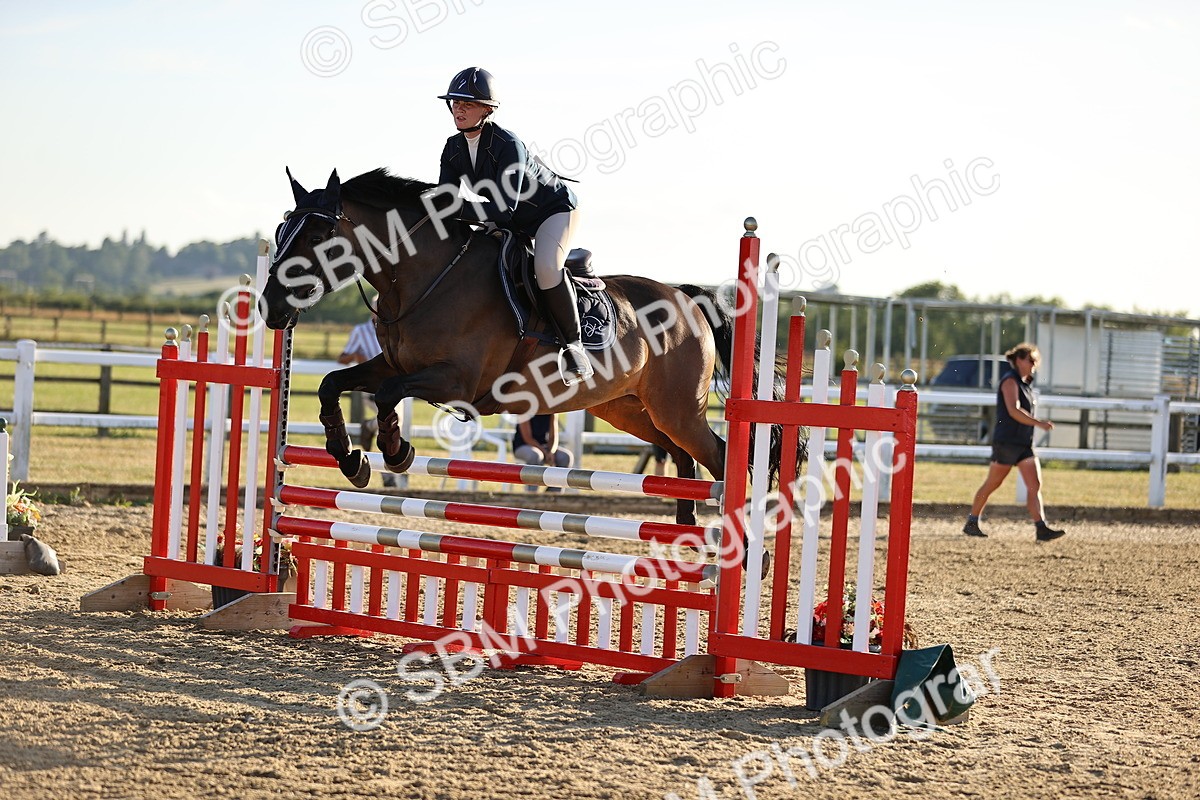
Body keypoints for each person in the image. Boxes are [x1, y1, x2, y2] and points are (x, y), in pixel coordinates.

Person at [435, 66, 594, 387]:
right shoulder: (452, 148)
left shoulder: (508, 144)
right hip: (506, 218)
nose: (459, 108)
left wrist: (448, 208)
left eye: (468, 103)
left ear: (488, 109)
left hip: (552, 211)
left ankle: (573, 345)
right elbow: (445, 202)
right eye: (455, 102)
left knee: (546, 267)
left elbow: (501, 209)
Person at [963, 343, 1065, 541]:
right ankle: (972, 521)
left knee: (1034, 485)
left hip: (1023, 443)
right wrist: (1039, 424)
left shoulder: (1024, 384)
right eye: (1031, 360)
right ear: (1019, 360)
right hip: (1008, 442)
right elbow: (1013, 410)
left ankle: (1041, 527)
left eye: (1036, 361)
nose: (1034, 364)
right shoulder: (1010, 381)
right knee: (993, 483)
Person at [337, 301, 399, 488]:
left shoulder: (395, 328)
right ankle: (389, 477)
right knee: (392, 423)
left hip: (395, 387)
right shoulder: (360, 331)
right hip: (372, 388)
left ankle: (370, 426)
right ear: (372, 311)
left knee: (392, 427)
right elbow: (342, 357)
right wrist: (357, 358)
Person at [513, 414, 572, 491]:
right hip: (523, 445)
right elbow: (527, 438)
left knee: (565, 457)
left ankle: (553, 496)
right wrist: (545, 452)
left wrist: (551, 452)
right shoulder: (526, 407)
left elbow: (553, 436)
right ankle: (531, 495)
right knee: (535, 456)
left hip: (544, 447)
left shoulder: (551, 410)